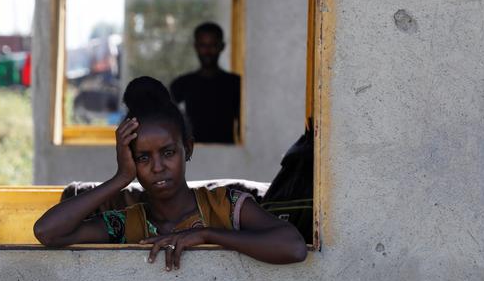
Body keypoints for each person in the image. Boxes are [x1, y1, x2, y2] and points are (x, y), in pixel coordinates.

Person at [33, 76, 307, 270]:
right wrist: (120, 178)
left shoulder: (225, 206)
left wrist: (207, 235)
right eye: (142, 157)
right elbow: (48, 232)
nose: (158, 167)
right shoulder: (128, 224)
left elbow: (293, 247)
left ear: (187, 148)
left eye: (168, 153)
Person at [170, 22, 240, 144]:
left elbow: (244, 126)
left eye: (213, 45)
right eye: (203, 45)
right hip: (192, 156)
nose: (207, 51)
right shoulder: (181, 85)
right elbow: (169, 123)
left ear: (222, 46)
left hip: (228, 155)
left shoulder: (235, 84)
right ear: (196, 46)